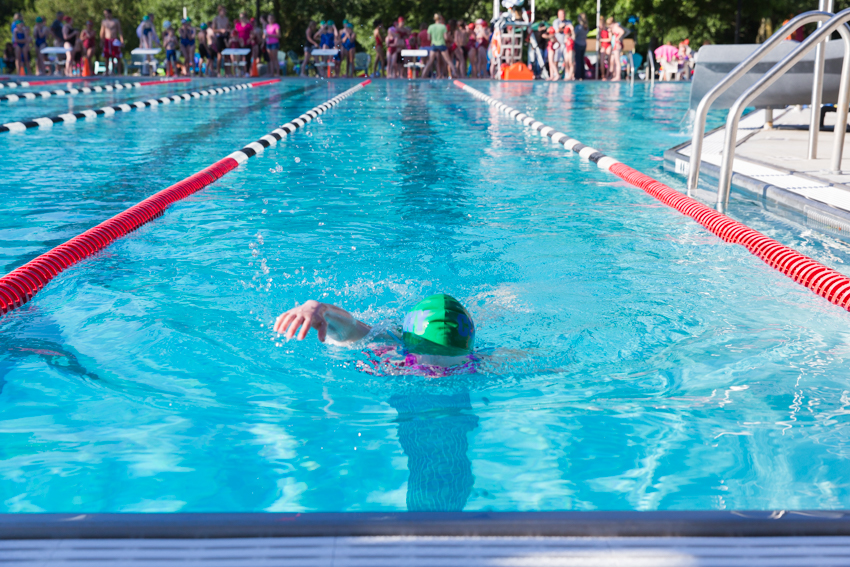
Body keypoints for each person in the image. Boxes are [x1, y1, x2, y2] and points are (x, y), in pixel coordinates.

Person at [274, 294, 477, 375]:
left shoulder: (488, 361)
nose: (437, 377)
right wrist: (319, 309)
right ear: (407, 351)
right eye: (427, 367)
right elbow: (351, 327)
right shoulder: (386, 347)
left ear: (470, 354)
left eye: (454, 366)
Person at [421, 14, 457, 79]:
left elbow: (429, 38)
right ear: (440, 19)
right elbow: (446, 38)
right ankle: (455, 73)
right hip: (441, 44)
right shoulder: (443, 27)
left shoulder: (431, 26)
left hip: (434, 45)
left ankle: (423, 74)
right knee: (448, 60)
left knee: (430, 61)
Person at [100, 9, 123, 75]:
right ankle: (107, 72)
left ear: (110, 13)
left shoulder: (116, 21)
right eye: (105, 14)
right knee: (107, 57)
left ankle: (118, 72)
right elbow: (102, 32)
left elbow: (120, 31)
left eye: (107, 14)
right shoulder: (104, 22)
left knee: (117, 56)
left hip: (115, 40)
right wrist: (101, 41)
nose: (106, 15)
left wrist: (122, 41)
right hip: (107, 40)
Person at [212, 6, 230, 76]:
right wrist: (220, 30)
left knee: (226, 56)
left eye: (225, 11)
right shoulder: (216, 19)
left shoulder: (226, 19)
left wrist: (227, 31)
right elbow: (213, 29)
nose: (224, 12)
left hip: (225, 37)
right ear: (220, 11)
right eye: (223, 11)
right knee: (219, 55)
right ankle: (218, 72)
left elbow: (228, 28)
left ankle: (226, 72)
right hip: (219, 37)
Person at [573, 13, 587, 80]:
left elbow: (574, 36)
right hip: (583, 44)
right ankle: (582, 75)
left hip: (578, 44)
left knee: (578, 61)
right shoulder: (586, 27)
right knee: (581, 60)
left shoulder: (578, 27)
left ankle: (578, 75)